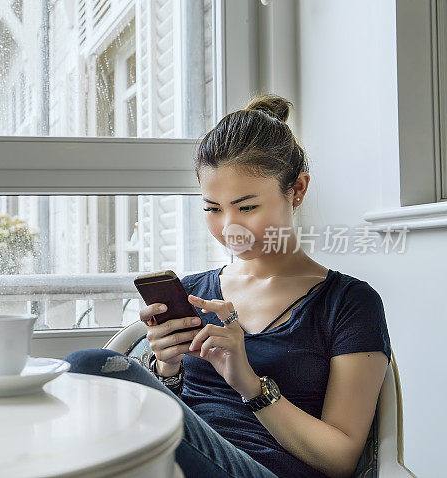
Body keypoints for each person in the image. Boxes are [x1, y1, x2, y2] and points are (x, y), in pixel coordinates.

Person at [65, 94, 392, 478]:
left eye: (247, 207)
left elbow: (341, 459)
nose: (229, 227)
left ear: (298, 189)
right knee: (87, 372)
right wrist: (168, 367)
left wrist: (249, 383)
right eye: (213, 209)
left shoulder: (349, 303)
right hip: (178, 466)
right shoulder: (192, 292)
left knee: (90, 365)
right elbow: (178, 421)